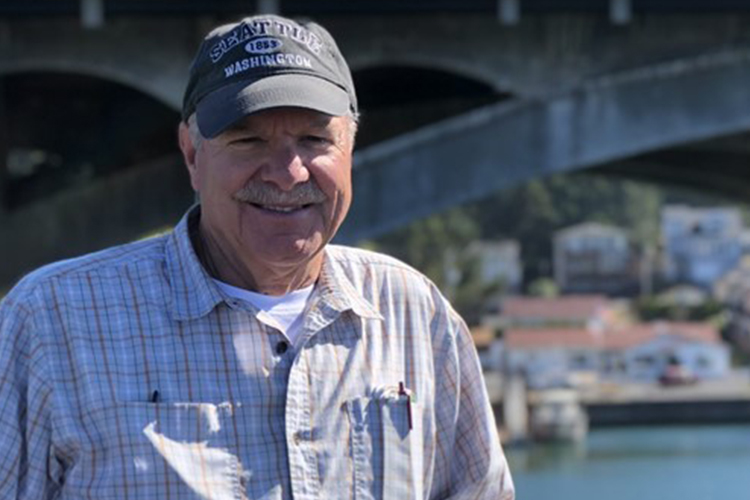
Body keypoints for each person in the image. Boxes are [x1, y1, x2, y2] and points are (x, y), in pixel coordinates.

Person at [0, 14, 514, 500]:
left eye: (315, 139)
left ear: (350, 150)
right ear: (192, 154)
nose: (287, 172)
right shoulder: (52, 323)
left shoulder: (414, 313)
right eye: (248, 140)